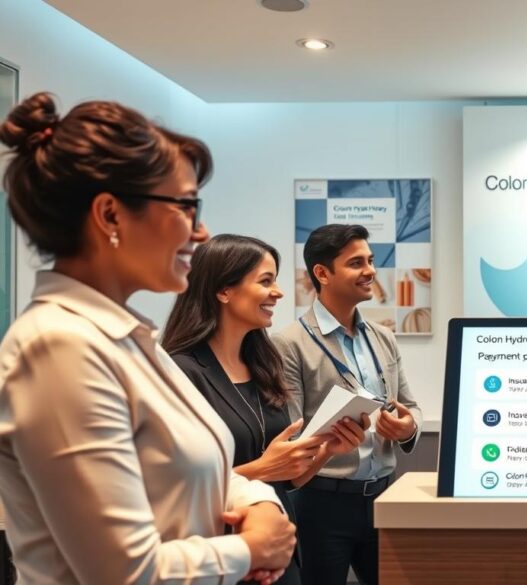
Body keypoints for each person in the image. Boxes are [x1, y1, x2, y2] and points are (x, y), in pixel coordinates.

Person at [0, 93, 294, 584]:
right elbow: (123, 572)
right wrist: (247, 550)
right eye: (185, 206)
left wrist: (261, 506)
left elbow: (211, 475)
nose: (201, 233)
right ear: (111, 215)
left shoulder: (133, 339)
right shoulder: (59, 348)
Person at [162, 234, 370, 584]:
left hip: (280, 548)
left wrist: (326, 450)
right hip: (223, 555)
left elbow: (288, 478)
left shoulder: (262, 363)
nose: (279, 292)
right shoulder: (180, 372)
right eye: (266, 281)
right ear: (223, 290)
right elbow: (177, 492)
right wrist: (261, 468)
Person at [274, 224, 422, 585]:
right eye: (357, 263)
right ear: (322, 273)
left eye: (370, 260)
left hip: (385, 498)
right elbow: (292, 435)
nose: (370, 270)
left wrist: (409, 427)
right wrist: (328, 441)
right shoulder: (288, 343)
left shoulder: (383, 337)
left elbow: (411, 406)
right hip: (321, 505)